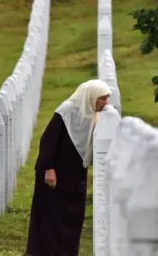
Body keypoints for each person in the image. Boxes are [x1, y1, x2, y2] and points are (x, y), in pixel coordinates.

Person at [25, 79, 111, 256]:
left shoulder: (93, 115)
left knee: (72, 218)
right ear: (91, 96)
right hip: (54, 175)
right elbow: (47, 141)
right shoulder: (66, 111)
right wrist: (48, 169)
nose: (105, 103)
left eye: (106, 98)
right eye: (102, 99)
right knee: (51, 218)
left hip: (76, 176)